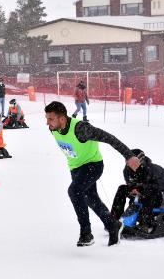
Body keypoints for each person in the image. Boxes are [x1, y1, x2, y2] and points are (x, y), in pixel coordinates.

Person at [44, 101, 140, 247]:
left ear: (62, 119)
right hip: (75, 168)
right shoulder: (54, 128)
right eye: (47, 118)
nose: (47, 123)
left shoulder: (81, 129)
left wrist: (129, 155)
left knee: (75, 191)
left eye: (50, 119)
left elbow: (109, 138)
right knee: (90, 199)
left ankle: (86, 233)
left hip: (93, 165)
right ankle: (112, 224)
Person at [110, 149, 164, 231]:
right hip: (143, 195)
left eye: (131, 160)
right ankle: (114, 220)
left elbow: (158, 187)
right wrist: (133, 189)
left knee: (149, 192)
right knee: (122, 188)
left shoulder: (154, 169)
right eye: (127, 160)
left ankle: (146, 224)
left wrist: (141, 189)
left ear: (140, 160)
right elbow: (131, 184)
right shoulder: (127, 171)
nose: (128, 163)